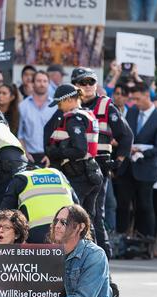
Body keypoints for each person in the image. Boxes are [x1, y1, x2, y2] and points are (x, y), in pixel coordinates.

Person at [0, 204, 115, 297]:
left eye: (64, 222)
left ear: (80, 227)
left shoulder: (95, 255)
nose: (57, 226)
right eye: (56, 221)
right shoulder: (52, 251)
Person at [72, 67, 133, 259]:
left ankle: (103, 257)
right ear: (75, 85)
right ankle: (79, 254)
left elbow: (126, 135)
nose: (88, 86)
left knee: (96, 214)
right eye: (83, 82)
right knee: (75, 213)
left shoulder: (105, 105)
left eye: (91, 82)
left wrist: (118, 161)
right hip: (74, 168)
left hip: (97, 167)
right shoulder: (71, 105)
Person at [115, 82, 157, 241]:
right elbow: (123, 135)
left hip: (146, 169)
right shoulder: (131, 112)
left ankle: (147, 240)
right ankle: (121, 238)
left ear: (147, 95)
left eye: (138, 99)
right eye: (133, 99)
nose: (135, 103)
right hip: (127, 167)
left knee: (145, 206)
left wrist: (141, 152)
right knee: (123, 204)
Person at [45, 84, 103, 222]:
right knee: (88, 221)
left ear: (69, 100)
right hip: (91, 172)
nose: (59, 107)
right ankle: (92, 244)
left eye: (60, 103)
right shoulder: (88, 114)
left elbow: (80, 150)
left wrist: (56, 152)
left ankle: (79, 244)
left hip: (79, 175)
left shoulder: (73, 119)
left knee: (74, 219)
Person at [0, 166, 77, 244]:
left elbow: (3, 214)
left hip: (37, 238)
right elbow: (78, 206)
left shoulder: (21, 178)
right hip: (69, 234)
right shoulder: (59, 175)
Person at [18, 71, 57, 164]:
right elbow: (20, 134)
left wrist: (51, 154)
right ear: (33, 83)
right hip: (29, 156)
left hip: (51, 156)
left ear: (48, 83)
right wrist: (25, 154)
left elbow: (58, 133)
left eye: (45, 81)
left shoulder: (55, 107)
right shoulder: (23, 106)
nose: (42, 84)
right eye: (39, 81)